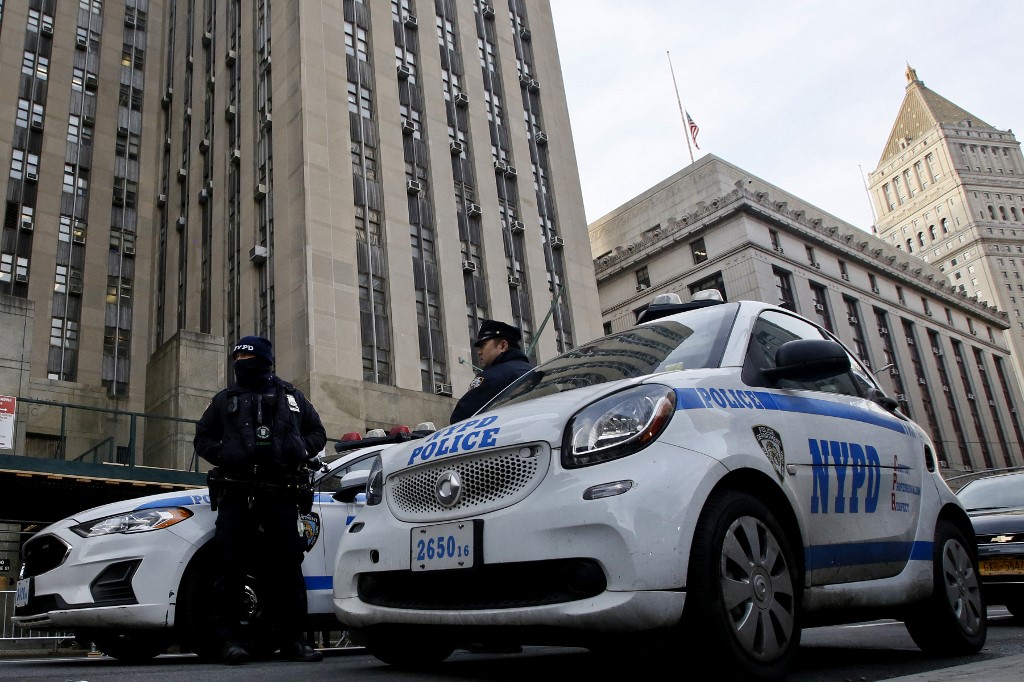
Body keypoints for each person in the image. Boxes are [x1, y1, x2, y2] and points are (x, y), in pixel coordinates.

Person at [193, 336, 327, 665]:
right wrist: (225, 454)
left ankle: (293, 640)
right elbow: (202, 437)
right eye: (236, 356)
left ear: (265, 359)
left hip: (280, 492)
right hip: (236, 491)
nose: (240, 361)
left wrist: (296, 450)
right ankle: (228, 641)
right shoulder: (225, 400)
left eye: (246, 355)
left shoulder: (292, 397)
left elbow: (318, 433)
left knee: (286, 566)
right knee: (230, 565)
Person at [450, 319, 534, 424]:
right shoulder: (535, 373)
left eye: (483, 345)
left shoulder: (492, 377)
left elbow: (460, 419)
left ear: (503, 346)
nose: (479, 351)